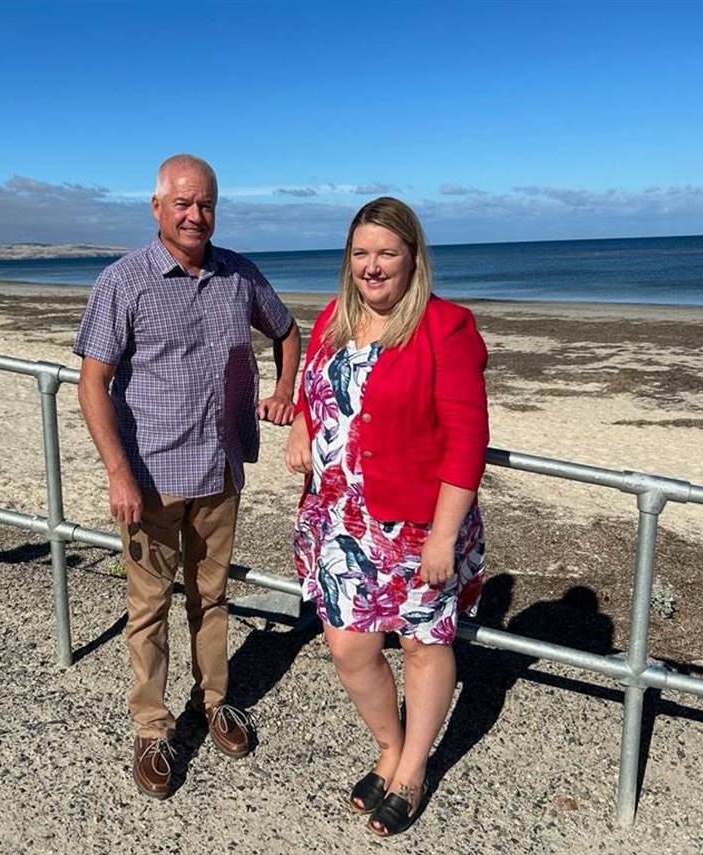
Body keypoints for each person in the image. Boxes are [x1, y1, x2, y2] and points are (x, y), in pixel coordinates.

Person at [74, 154, 301, 800]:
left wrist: (286, 388)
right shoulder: (124, 282)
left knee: (213, 597)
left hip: (219, 470)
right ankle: (151, 728)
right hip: (148, 479)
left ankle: (214, 700)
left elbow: (288, 332)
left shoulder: (238, 275)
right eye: (182, 203)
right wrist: (118, 471)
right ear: (156, 208)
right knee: (147, 606)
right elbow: (92, 384)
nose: (195, 214)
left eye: (205, 204)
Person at [285, 197, 488, 836]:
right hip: (340, 519)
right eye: (361, 254)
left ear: (412, 259)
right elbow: (321, 391)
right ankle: (389, 745)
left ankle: (412, 767)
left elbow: (466, 439)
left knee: (424, 645)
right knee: (349, 646)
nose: (373, 268)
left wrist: (446, 536)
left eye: (387, 254)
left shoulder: (445, 326)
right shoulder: (332, 319)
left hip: (418, 524)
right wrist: (299, 420)